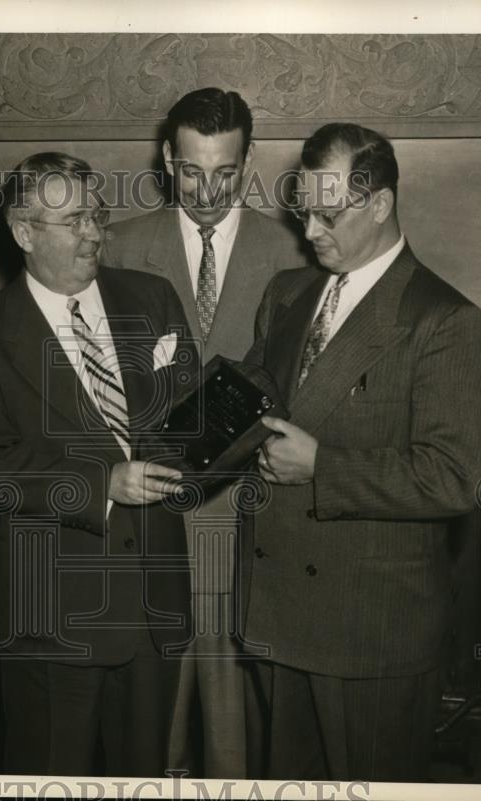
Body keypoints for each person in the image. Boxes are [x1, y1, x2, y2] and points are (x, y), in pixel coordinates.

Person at [241, 122, 481, 781]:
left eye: (329, 214)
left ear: (380, 204)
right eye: (304, 211)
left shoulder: (444, 320)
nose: (311, 231)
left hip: (371, 629)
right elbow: (252, 405)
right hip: (278, 610)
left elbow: (454, 478)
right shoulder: (285, 293)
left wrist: (323, 467)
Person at [0, 152, 198, 777]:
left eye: (97, 214)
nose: (94, 232)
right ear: (24, 233)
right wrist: (103, 484)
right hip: (53, 617)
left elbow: (184, 417)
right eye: (74, 220)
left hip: (155, 605)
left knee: (145, 779)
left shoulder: (153, 297)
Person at [101, 87, 304, 778]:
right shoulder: (118, 246)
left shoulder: (295, 254)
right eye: (191, 172)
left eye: (225, 172)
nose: (208, 191)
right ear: (166, 159)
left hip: (249, 519)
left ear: (248, 162)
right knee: (146, 726)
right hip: (145, 520)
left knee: (234, 727)